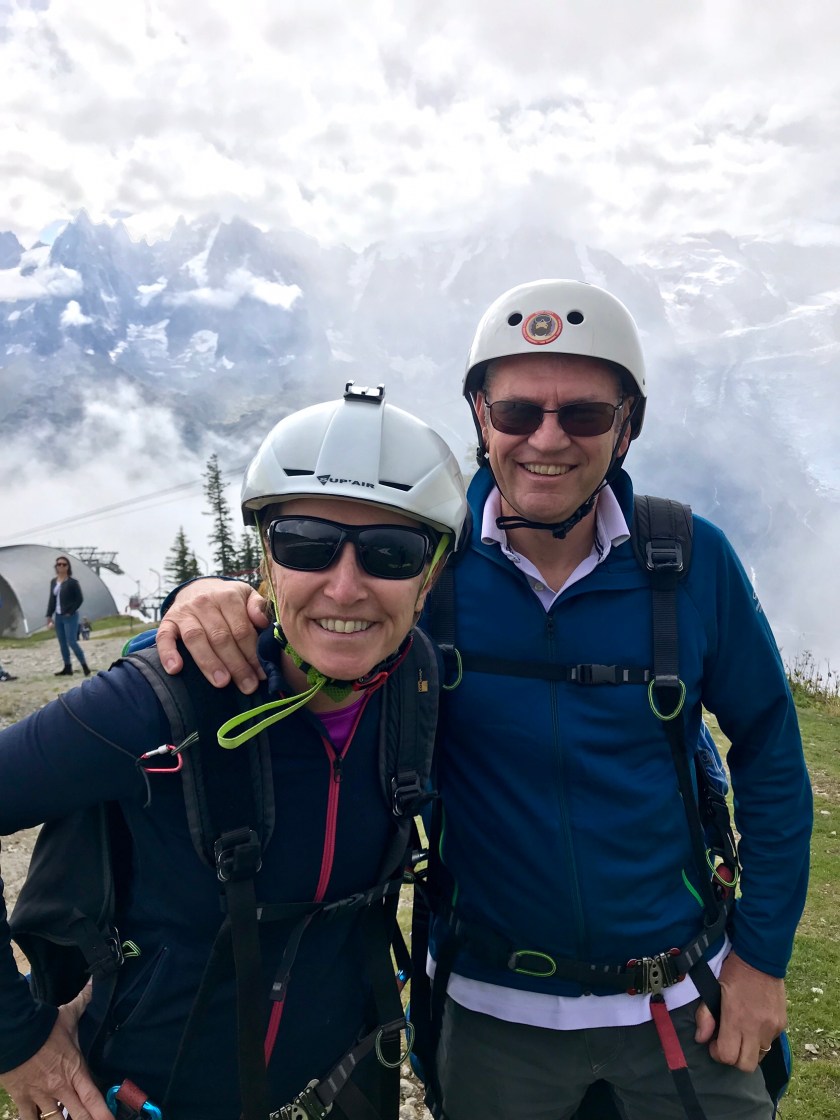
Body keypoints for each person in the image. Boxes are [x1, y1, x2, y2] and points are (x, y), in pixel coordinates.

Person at [153, 281, 813, 1120]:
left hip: (685, 996)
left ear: (626, 428)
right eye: (516, 412)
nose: (548, 438)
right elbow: (307, 623)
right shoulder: (424, 562)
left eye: (583, 415)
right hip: (492, 1011)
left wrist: (761, 959)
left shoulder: (686, 560)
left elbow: (772, 756)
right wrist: (194, 606)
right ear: (480, 417)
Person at [0, 384, 468, 1120]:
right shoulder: (162, 699)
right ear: (266, 558)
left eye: (392, 552)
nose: (345, 587)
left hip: (347, 1085)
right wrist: (17, 1039)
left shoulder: (419, 684)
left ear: (430, 572)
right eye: (305, 544)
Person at [45, 556, 91, 677]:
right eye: (59, 564)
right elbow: (52, 599)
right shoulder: (53, 582)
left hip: (70, 616)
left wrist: (70, 611)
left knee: (71, 641)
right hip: (58, 616)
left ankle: (84, 666)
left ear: (68, 567)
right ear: (56, 567)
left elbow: (79, 599)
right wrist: (49, 615)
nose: (61, 566)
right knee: (62, 643)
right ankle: (67, 667)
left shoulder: (72, 582)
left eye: (64, 564)